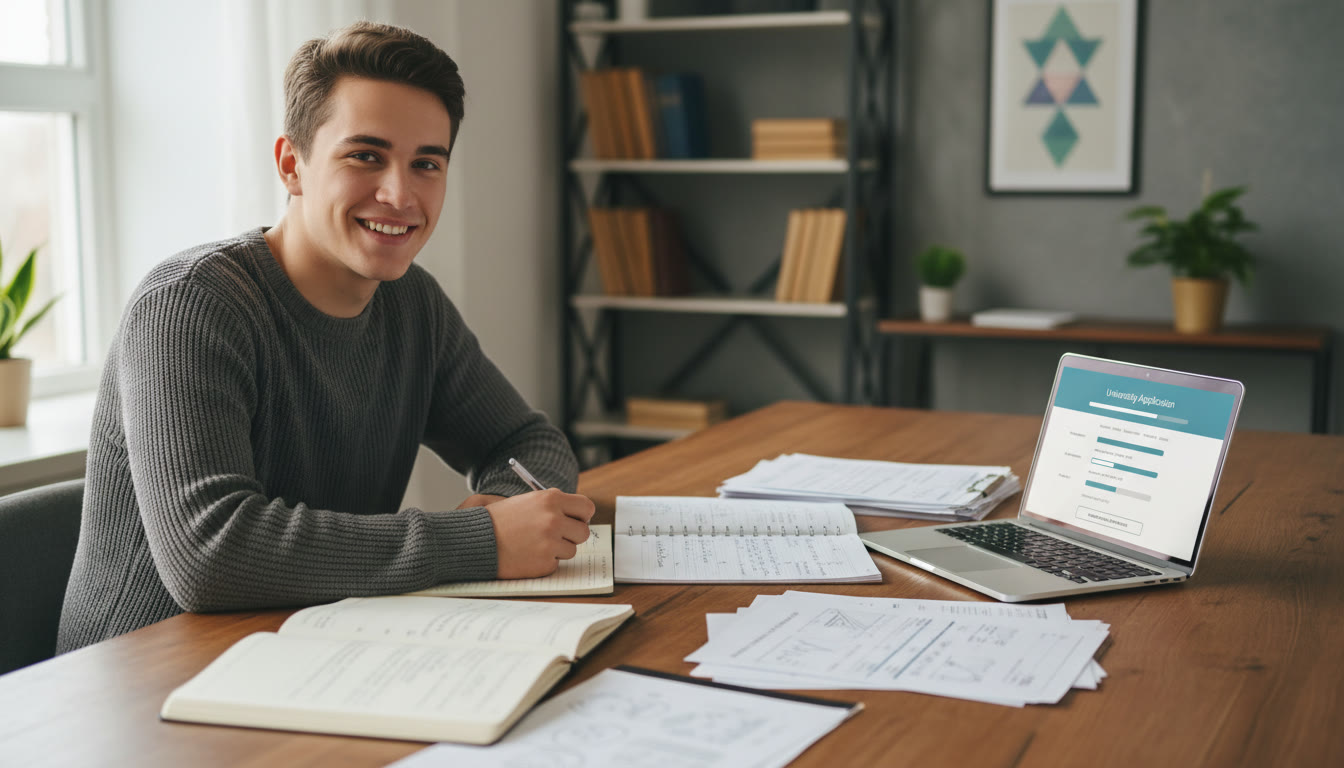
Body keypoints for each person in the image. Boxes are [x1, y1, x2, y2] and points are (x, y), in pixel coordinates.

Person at [57, 21, 591, 653]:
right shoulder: (189, 305)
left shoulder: (411, 302)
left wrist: (502, 510)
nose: (400, 194)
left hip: (313, 646)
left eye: (427, 163)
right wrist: (479, 543)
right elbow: (212, 553)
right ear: (292, 164)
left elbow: (523, 442)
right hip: (141, 683)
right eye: (365, 156)